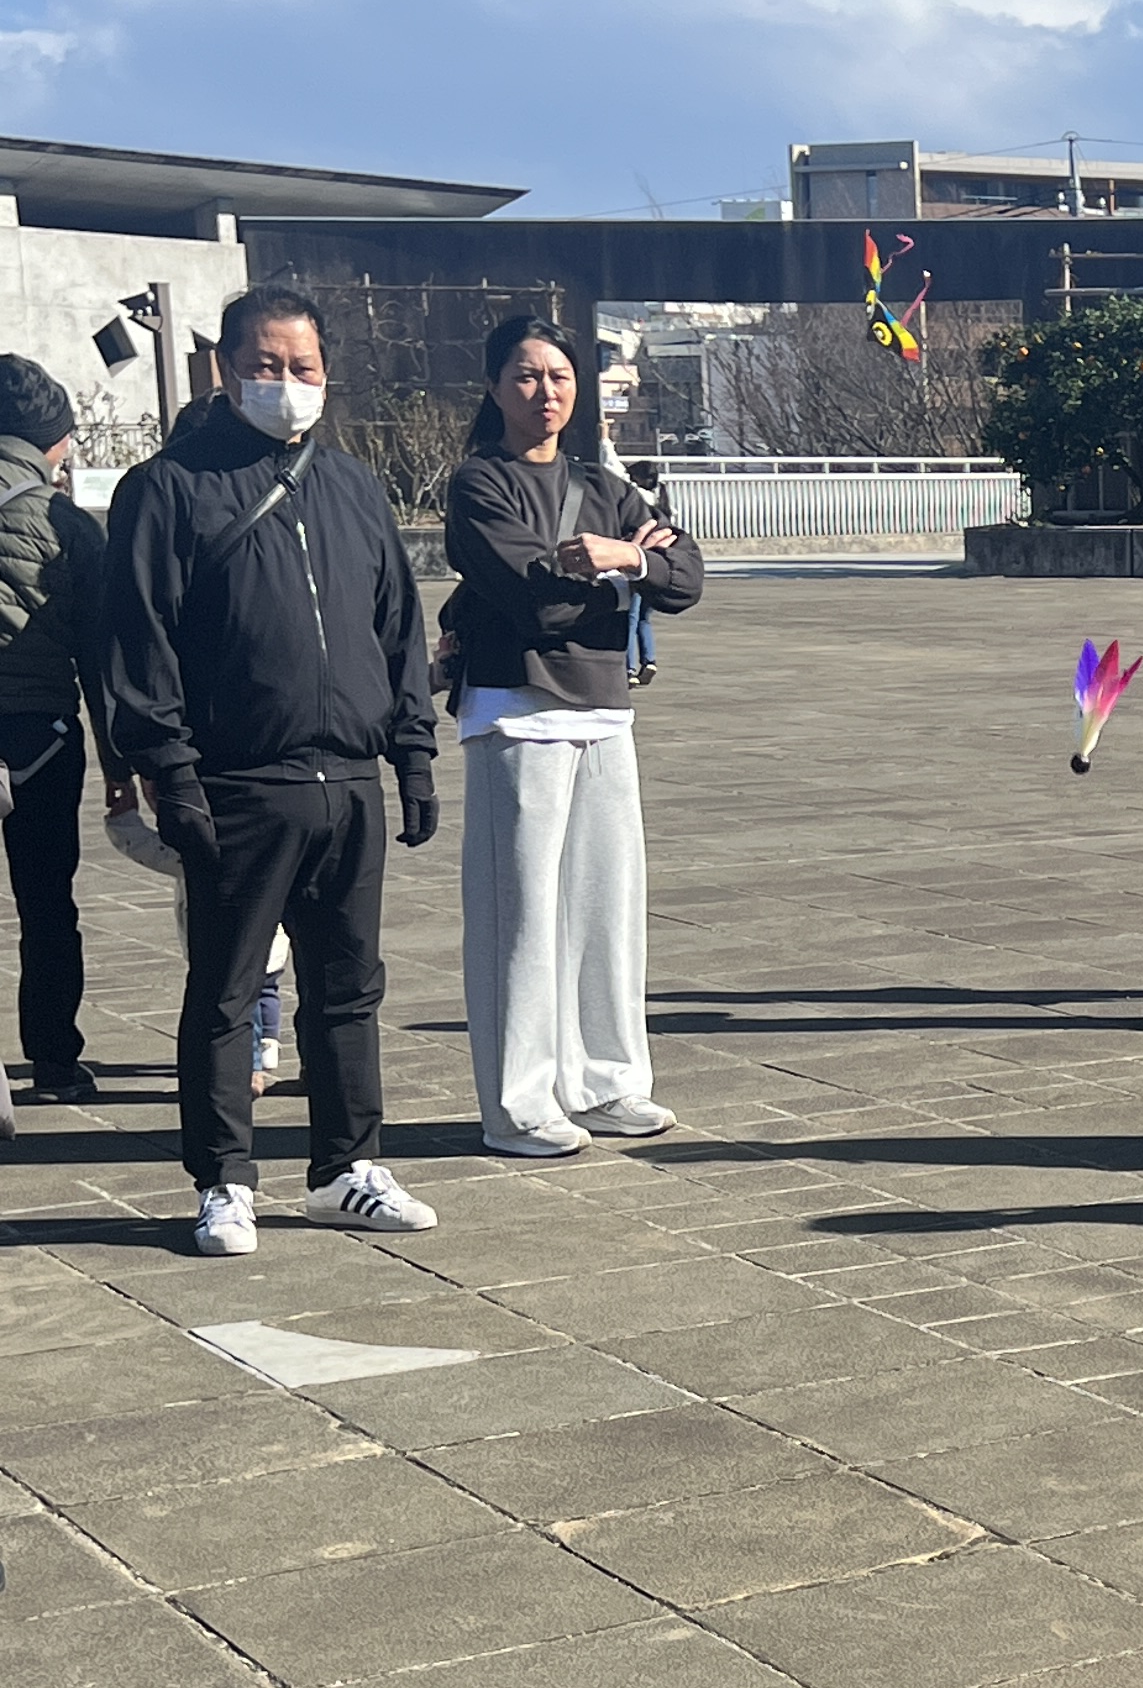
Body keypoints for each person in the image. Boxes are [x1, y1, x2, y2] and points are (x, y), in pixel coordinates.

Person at [100, 284, 440, 1257]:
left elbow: (397, 627)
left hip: (350, 780)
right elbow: (141, 644)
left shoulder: (354, 487)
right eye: (265, 365)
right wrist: (171, 773)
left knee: (349, 987)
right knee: (226, 988)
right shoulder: (168, 489)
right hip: (239, 784)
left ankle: (346, 1168)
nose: (285, 382)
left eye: (303, 367)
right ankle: (224, 1180)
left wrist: (413, 752)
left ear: (327, 374)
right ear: (224, 368)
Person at [442, 314, 703, 1158]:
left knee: (606, 908)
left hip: (602, 711)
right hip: (516, 711)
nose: (544, 392)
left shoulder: (603, 485)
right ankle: (518, 1104)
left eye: (558, 376)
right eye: (526, 376)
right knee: (519, 916)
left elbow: (685, 577)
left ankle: (607, 1082)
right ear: (494, 387)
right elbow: (535, 599)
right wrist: (624, 574)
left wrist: (622, 560)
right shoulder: (480, 485)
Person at [0, 357, 110, 1115]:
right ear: (57, 441)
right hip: (37, 736)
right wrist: (124, 762)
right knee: (46, 904)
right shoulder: (66, 524)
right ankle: (54, 1059)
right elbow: (100, 654)